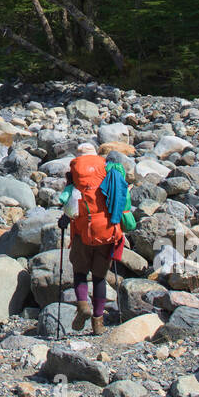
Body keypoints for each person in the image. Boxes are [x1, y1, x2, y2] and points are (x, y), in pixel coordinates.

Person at [58, 142, 125, 335]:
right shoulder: (109, 170)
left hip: (82, 232)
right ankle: (98, 323)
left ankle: (82, 306)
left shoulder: (75, 176)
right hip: (106, 230)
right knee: (99, 278)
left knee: (80, 273)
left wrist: (64, 219)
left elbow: (70, 207)